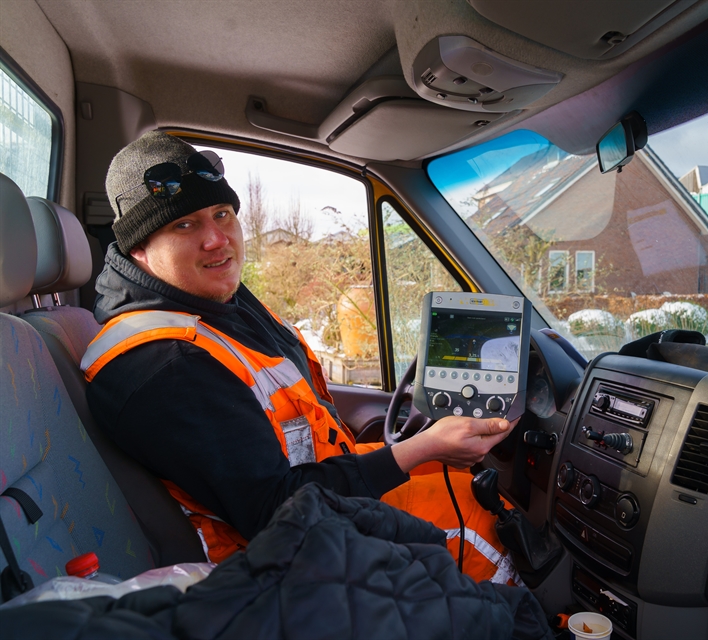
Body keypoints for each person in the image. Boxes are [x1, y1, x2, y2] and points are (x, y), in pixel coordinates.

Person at [82, 131, 520, 584]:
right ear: (139, 248)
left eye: (222, 214)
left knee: (446, 470)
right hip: (283, 558)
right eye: (184, 225)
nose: (217, 239)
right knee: (483, 517)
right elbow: (274, 510)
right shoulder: (165, 364)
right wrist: (422, 445)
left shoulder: (214, 306)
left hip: (315, 494)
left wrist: (421, 451)